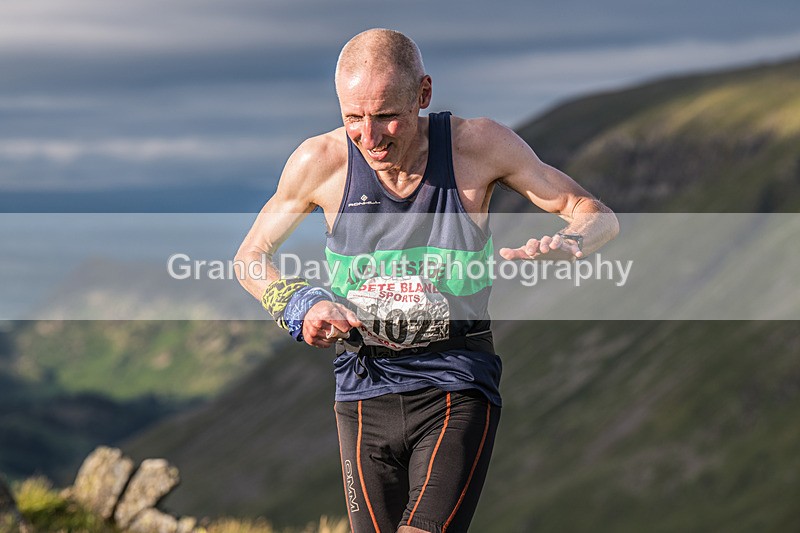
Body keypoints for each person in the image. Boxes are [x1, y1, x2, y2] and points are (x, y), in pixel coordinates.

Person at [235, 28, 618, 533]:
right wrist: (298, 303)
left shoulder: (477, 146)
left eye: (387, 116)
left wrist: (573, 240)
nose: (370, 139)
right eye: (353, 118)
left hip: (454, 379)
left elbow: (594, 213)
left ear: (423, 94)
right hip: (361, 387)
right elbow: (250, 258)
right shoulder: (320, 163)